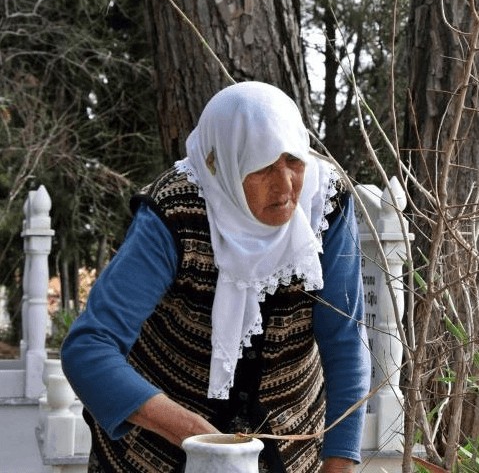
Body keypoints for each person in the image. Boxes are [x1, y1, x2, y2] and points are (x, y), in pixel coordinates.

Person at [61, 81, 371, 473]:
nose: (286, 186)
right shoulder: (174, 211)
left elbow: (345, 341)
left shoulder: (324, 204)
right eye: (262, 167)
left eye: (294, 161)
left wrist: (339, 462)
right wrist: (197, 436)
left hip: (289, 444)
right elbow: (88, 348)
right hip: (157, 450)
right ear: (220, 164)